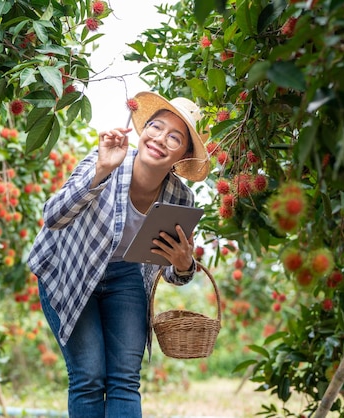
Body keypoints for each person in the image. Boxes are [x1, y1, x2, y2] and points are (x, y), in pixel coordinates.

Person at [27, 91, 210, 418]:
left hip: (126, 277)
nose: (160, 139)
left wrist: (184, 266)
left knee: (125, 379)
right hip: (70, 270)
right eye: (155, 127)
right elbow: (52, 216)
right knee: (89, 376)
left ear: (181, 156)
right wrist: (99, 172)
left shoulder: (181, 198)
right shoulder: (106, 159)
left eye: (175, 137)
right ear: (143, 130)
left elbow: (169, 268)